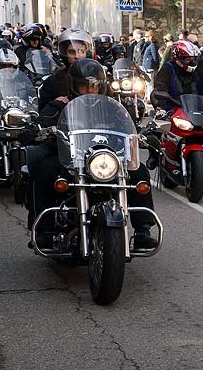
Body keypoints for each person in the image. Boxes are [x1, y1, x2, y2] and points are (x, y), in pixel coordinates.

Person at [27, 58, 157, 250]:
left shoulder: (113, 107)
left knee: (139, 172)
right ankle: (44, 231)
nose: (90, 90)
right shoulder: (61, 105)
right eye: (84, 86)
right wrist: (35, 129)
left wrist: (145, 135)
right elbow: (42, 121)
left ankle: (142, 231)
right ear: (73, 86)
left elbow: (130, 127)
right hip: (71, 161)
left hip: (105, 160)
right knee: (45, 170)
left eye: (95, 86)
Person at [152, 40, 200, 110]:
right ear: (178, 57)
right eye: (188, 59)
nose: (191, 62)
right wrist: (162, 107)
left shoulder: (195, 71)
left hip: (193, 109)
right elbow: (160, 89)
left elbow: (201, 88)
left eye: (193, 59)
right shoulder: (168, 69)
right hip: (173, 109)